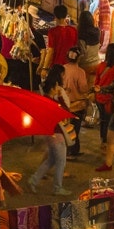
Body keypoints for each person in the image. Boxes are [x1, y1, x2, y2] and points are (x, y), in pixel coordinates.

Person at [26, 65, 71, 196]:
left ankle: (33, 181)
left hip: (50, 134)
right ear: (54, 86)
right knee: (61, 161)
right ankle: (57, 187)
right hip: (56, 134)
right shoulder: (51, 102)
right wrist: (60, 96)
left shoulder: (45, 99)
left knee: (51, 160)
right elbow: (66, 112)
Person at [93, 44, 114, 147]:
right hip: (110, 99)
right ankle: (108, 143)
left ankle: (103, 141)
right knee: (110, 122)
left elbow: (96, 82)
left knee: (103, 120)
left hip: (99, 97)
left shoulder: (101, 66)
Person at [62, 48, 90, 158]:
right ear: (78, 58)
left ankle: (74, 150)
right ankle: (71, 151)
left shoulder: (62, 69)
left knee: (67, 127)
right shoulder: (80, 72)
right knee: (74, 129)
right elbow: (83, 88)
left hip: (64, 103)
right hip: (76, 105)